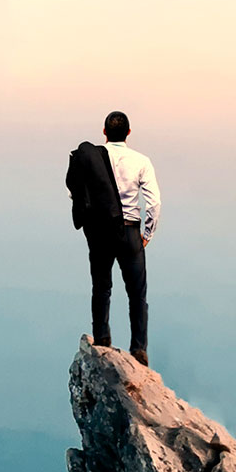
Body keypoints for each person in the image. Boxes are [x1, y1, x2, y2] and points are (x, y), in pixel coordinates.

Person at [67, 111, 161, 364]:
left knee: (101, 287)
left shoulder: (92, 159)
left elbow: (76, 192)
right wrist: (147, 234)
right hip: (130, 230)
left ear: (104, 132)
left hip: (99, 231)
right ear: (129, 133)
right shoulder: (141, 161)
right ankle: (139, 350)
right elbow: (154, 202)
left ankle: (102, 338)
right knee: (137, 294)